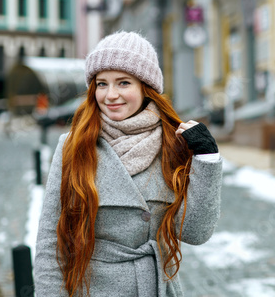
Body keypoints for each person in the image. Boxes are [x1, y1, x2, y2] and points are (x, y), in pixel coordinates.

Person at [34, 31, 223, 297]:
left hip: (155, 288)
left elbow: (195, 232)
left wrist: (206, 159)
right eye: (102, 84)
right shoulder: (74, 146)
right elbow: (51, 243)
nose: (110, 95)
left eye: (123, 83)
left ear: (145, 88)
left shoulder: (172, 143)